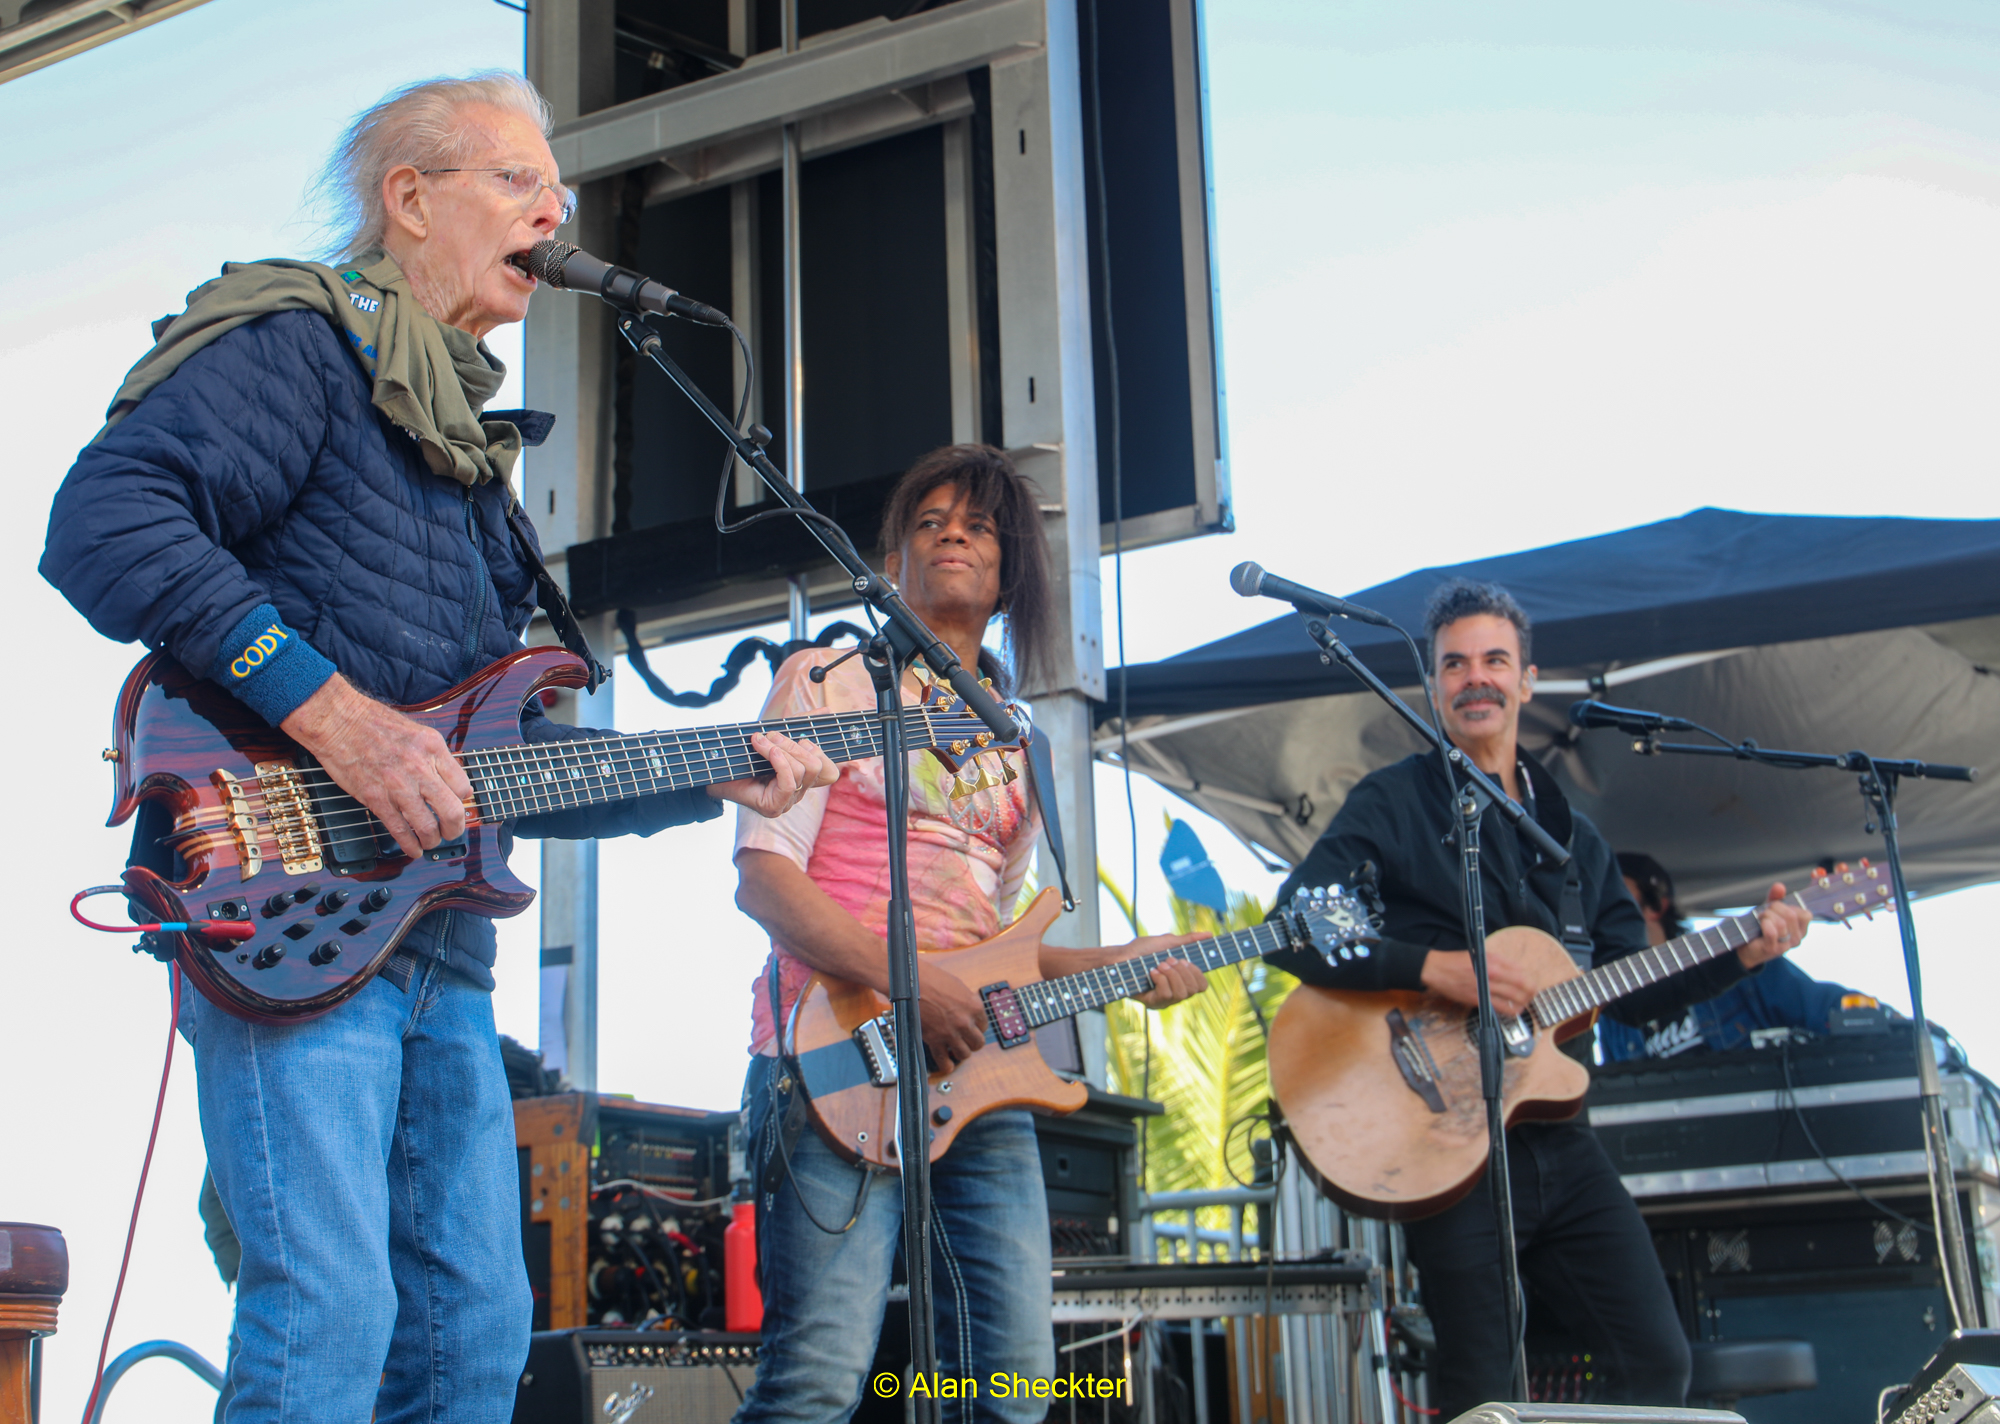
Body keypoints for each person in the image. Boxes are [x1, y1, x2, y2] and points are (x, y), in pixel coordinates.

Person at [39, 73, 835, 1424]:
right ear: (410, 200)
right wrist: (333, 714)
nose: (557, 210)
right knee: (328, 1321)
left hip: (438, 954)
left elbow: (503, 763)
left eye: (560, 193)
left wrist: (710, 770)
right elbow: (104, 522)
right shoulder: (301, 346)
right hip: (277, 911)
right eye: (519, 183)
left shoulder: (471, 466)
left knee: (474, 1338)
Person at [729, 445, 1206, 1424]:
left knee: (1017, 1381)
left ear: (1011, 567)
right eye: (930, 518)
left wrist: (1121, 963)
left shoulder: (1019, 739)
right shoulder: (823, 679)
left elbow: (1002, 948)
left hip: (975, 1079)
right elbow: (764, 879)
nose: (952, 531)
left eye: (978, 523)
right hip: (829, 1056)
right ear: (893, 556)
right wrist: (909, 984)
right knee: (813, 1386)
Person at [1264, 579, 1811, 1417]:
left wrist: (1742, 950)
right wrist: (1433, 967)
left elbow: (1638, 994)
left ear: (1526, 680)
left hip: (1561, 1140)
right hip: (1445, 1134)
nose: (1474, 678)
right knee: (1483, 1385)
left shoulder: (1575, 840)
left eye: (1494, 661)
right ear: (1434, 686)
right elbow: (1296, 925)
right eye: (1454, 664)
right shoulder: (1394, 804)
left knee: (1658, 1362)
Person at [1600, 853, 1870, 1060]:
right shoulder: (1608, 1010)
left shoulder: (1740, 964)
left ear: (1657, 905)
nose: (1602, 909)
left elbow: (1829, 1011)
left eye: (1617, 896)